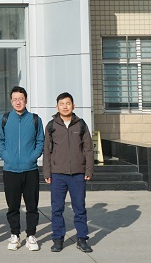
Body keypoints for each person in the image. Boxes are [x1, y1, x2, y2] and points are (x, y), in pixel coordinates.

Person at [43, 92, 94, 253]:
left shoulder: (81, 125)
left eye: (68, 103)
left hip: (78, 174)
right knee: (57, 209)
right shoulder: (51, 126)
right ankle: (58, 239)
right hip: (57, 174)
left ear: (73, 106)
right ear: (57, 106)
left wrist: (89, 169)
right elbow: (47, 151)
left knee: (80, 208)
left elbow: (88, 149)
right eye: (62, 104)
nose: (65, 106)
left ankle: (82, 239)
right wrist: (47, 173)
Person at [0, 86, 44, 251]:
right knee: (13, 206)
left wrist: (33, 157)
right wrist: (6, 157)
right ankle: (15, 235)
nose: (18, 102)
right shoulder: (4, 119)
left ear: (26, 100)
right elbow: (0, 141)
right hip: (10, 170)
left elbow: (40, 141)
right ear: (11, 101)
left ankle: (31, 235)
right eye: (15, 99)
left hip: (30, 170)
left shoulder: (35, 119)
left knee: (32, 206)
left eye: (21, 99)